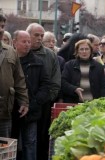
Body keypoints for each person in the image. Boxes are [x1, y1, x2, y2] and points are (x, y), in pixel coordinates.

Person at [13, 30, 50, 160]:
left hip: (32, 111)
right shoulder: (9, 61)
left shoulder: (38, 62)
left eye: (29, 41)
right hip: (11, 111)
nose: (27, 44)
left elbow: (45, 86)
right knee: (11, 144)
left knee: (30, 143)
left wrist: (33, 103)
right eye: (24, 41)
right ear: (14, 43)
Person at [26, 23, 61, 160]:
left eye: (41, 36)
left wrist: (45, 99)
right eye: (36, 35)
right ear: (28, 34)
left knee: (41, 138)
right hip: (21, 102)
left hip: (44, 104)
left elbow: (55, 82)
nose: (39, 38)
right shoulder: (20, 51)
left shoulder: (50, 55)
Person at [0, 13, 29, 137]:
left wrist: (24, 102)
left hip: (4, 112)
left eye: (2, 26)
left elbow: (19, 80)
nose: (1, 30)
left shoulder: (11, 51)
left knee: (3, 150)